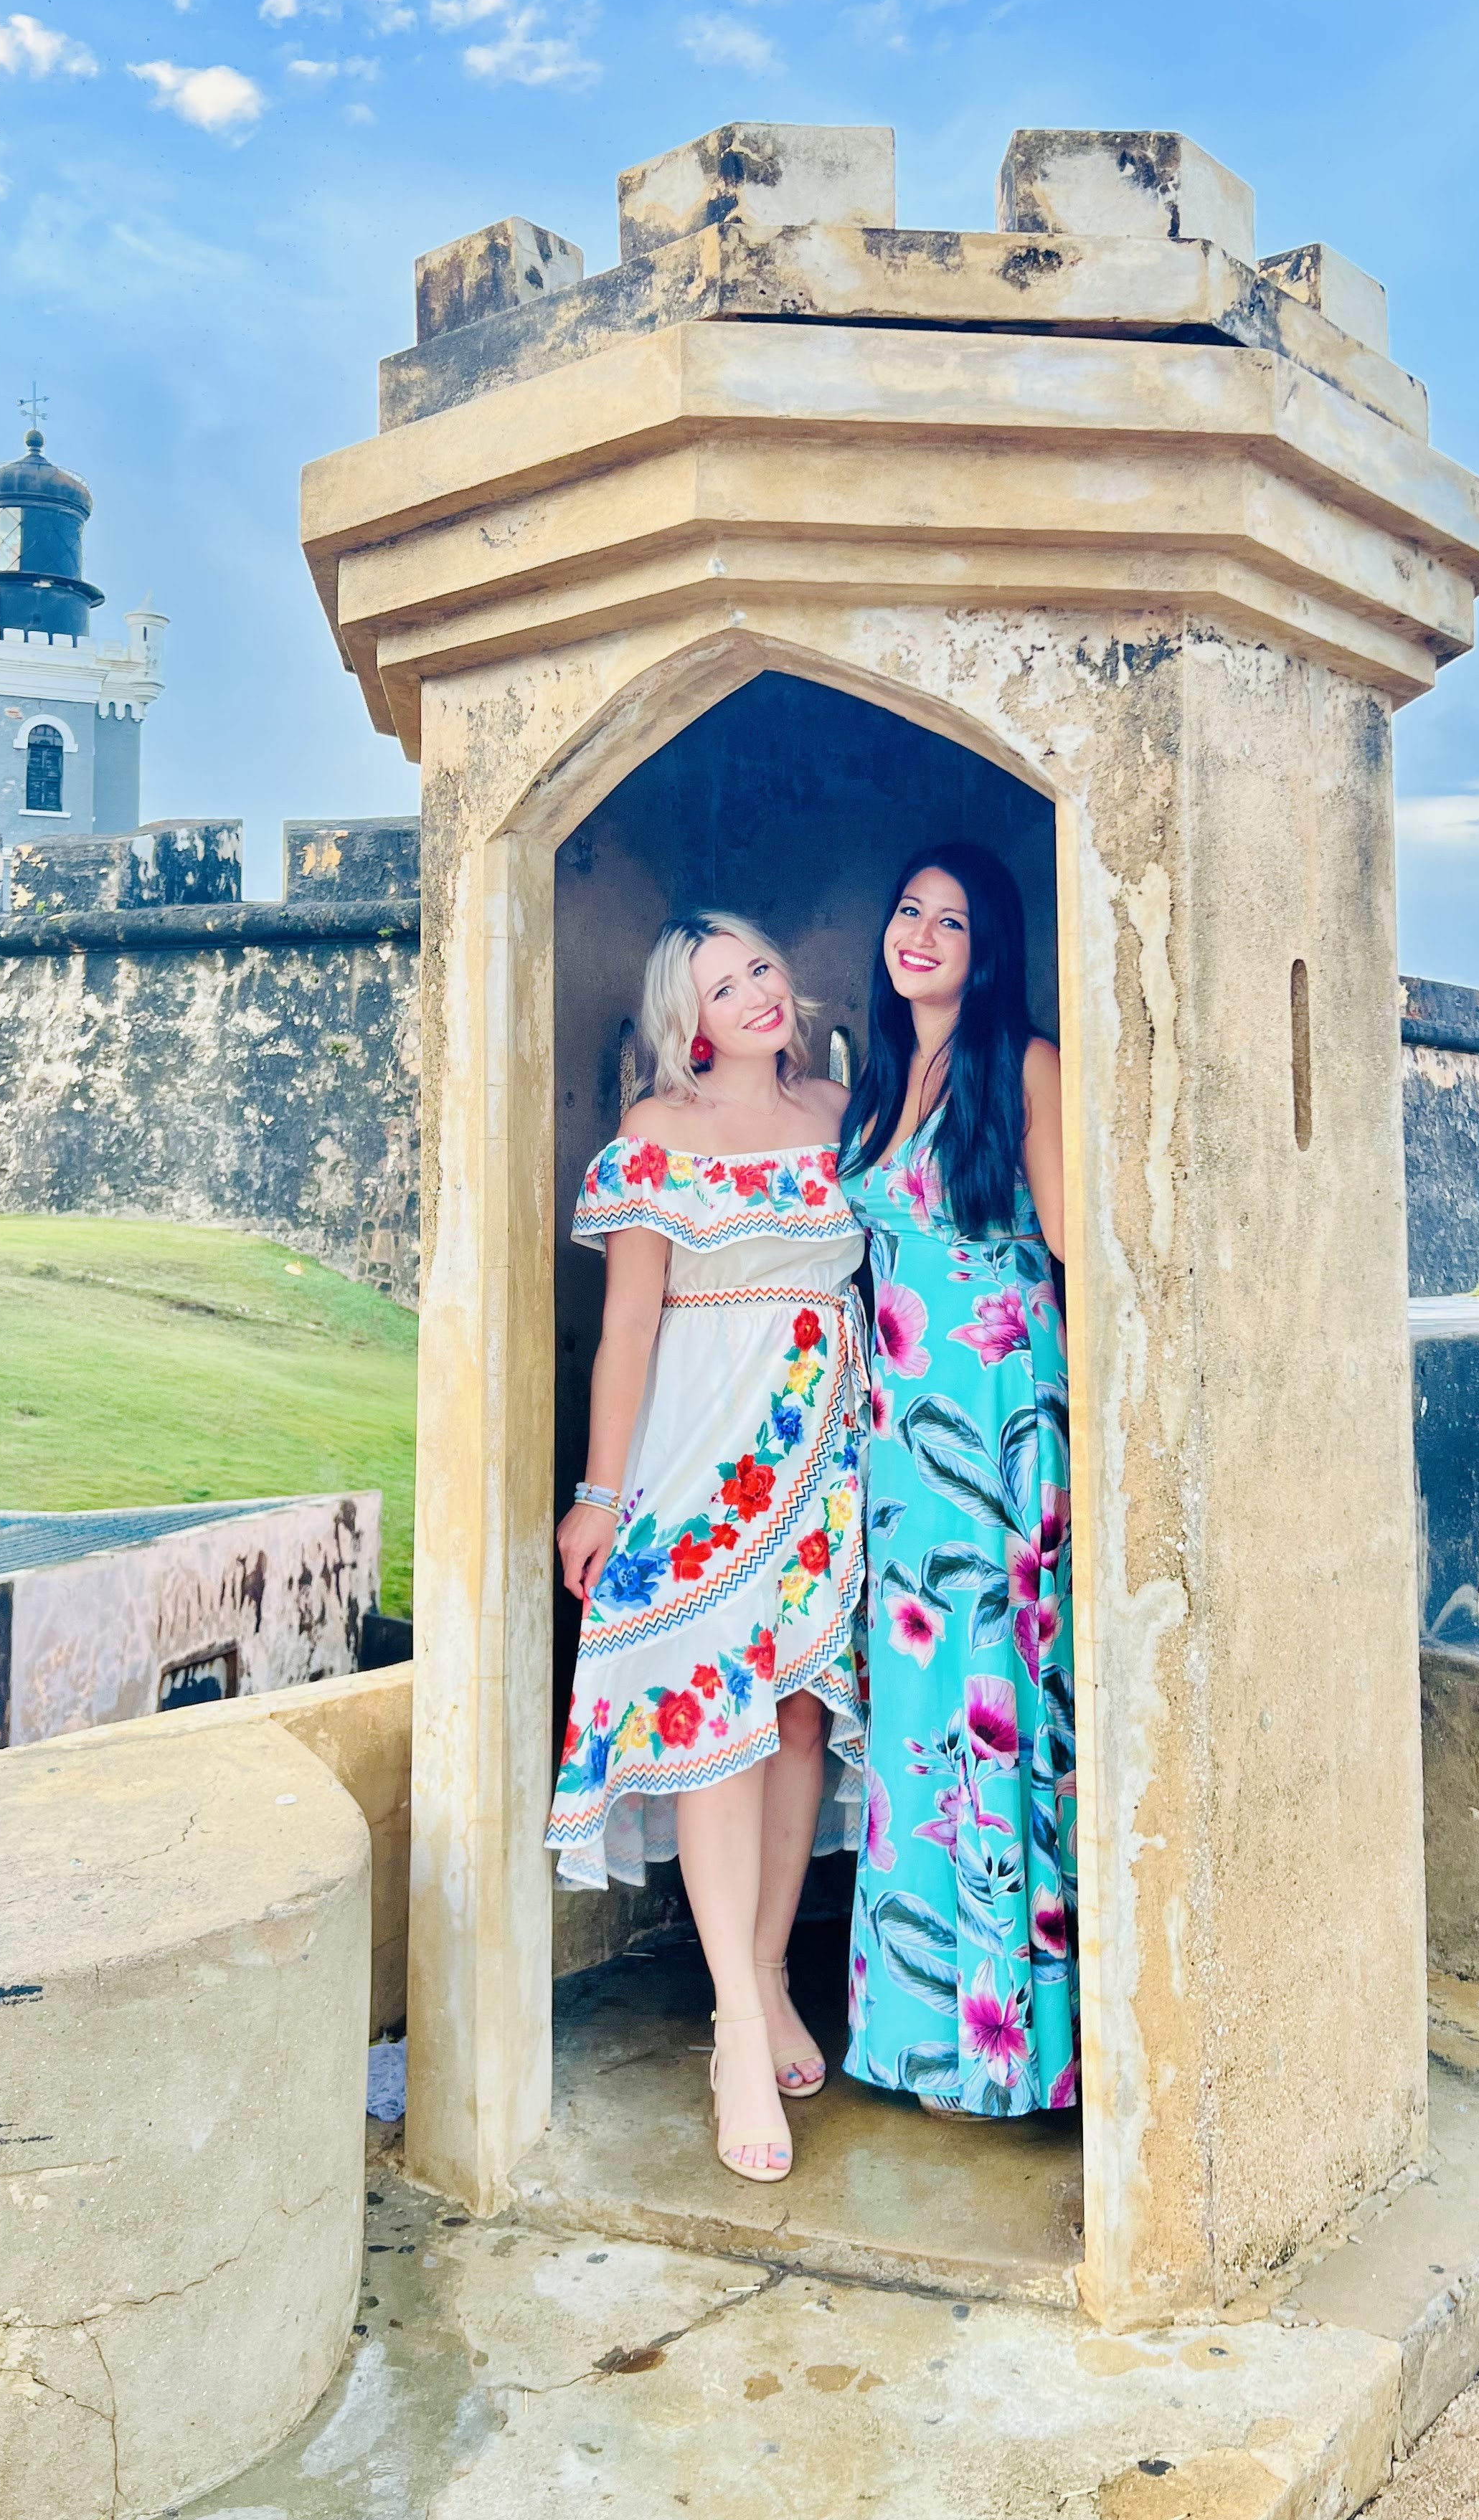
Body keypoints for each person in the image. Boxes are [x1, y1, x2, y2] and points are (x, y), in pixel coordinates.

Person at [548, 910, 867, 2184]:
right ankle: (737, 2025)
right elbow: (627, 1332)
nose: (754, 993)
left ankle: (772, 1971)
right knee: (710, 1727)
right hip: (697, 1470)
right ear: (685, 1020)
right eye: (720, 984)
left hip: (827, 1461)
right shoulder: (655, 1140)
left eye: (762, 967)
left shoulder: (848, 1113)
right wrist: (596, 1496)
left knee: (795, 1720)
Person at [838, 842, 1079, 2117]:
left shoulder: (1022, 1068)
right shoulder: (877, 1079)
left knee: (998, 1713)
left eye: (953, 919)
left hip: (999, 1435)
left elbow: (1080, 1262)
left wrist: (1089, 1448)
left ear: (990, 952)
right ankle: (923, 2037)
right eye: (908, 908)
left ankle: (1010, 2049)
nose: (921, 933)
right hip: (900, 1456)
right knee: (918, 1739)